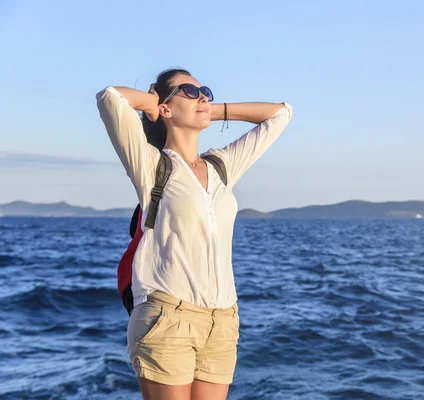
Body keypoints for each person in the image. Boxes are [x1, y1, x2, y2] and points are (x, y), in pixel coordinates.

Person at [96, 68, 292, 400]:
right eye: (189, 90)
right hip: (168, 317)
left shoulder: (222, 166)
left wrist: (211, 111)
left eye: (206, 92)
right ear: (166, 109)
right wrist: (151, 103)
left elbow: (279, 114)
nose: (203, 96)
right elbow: (110, 98)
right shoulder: (151, 164)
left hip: (223, 320)